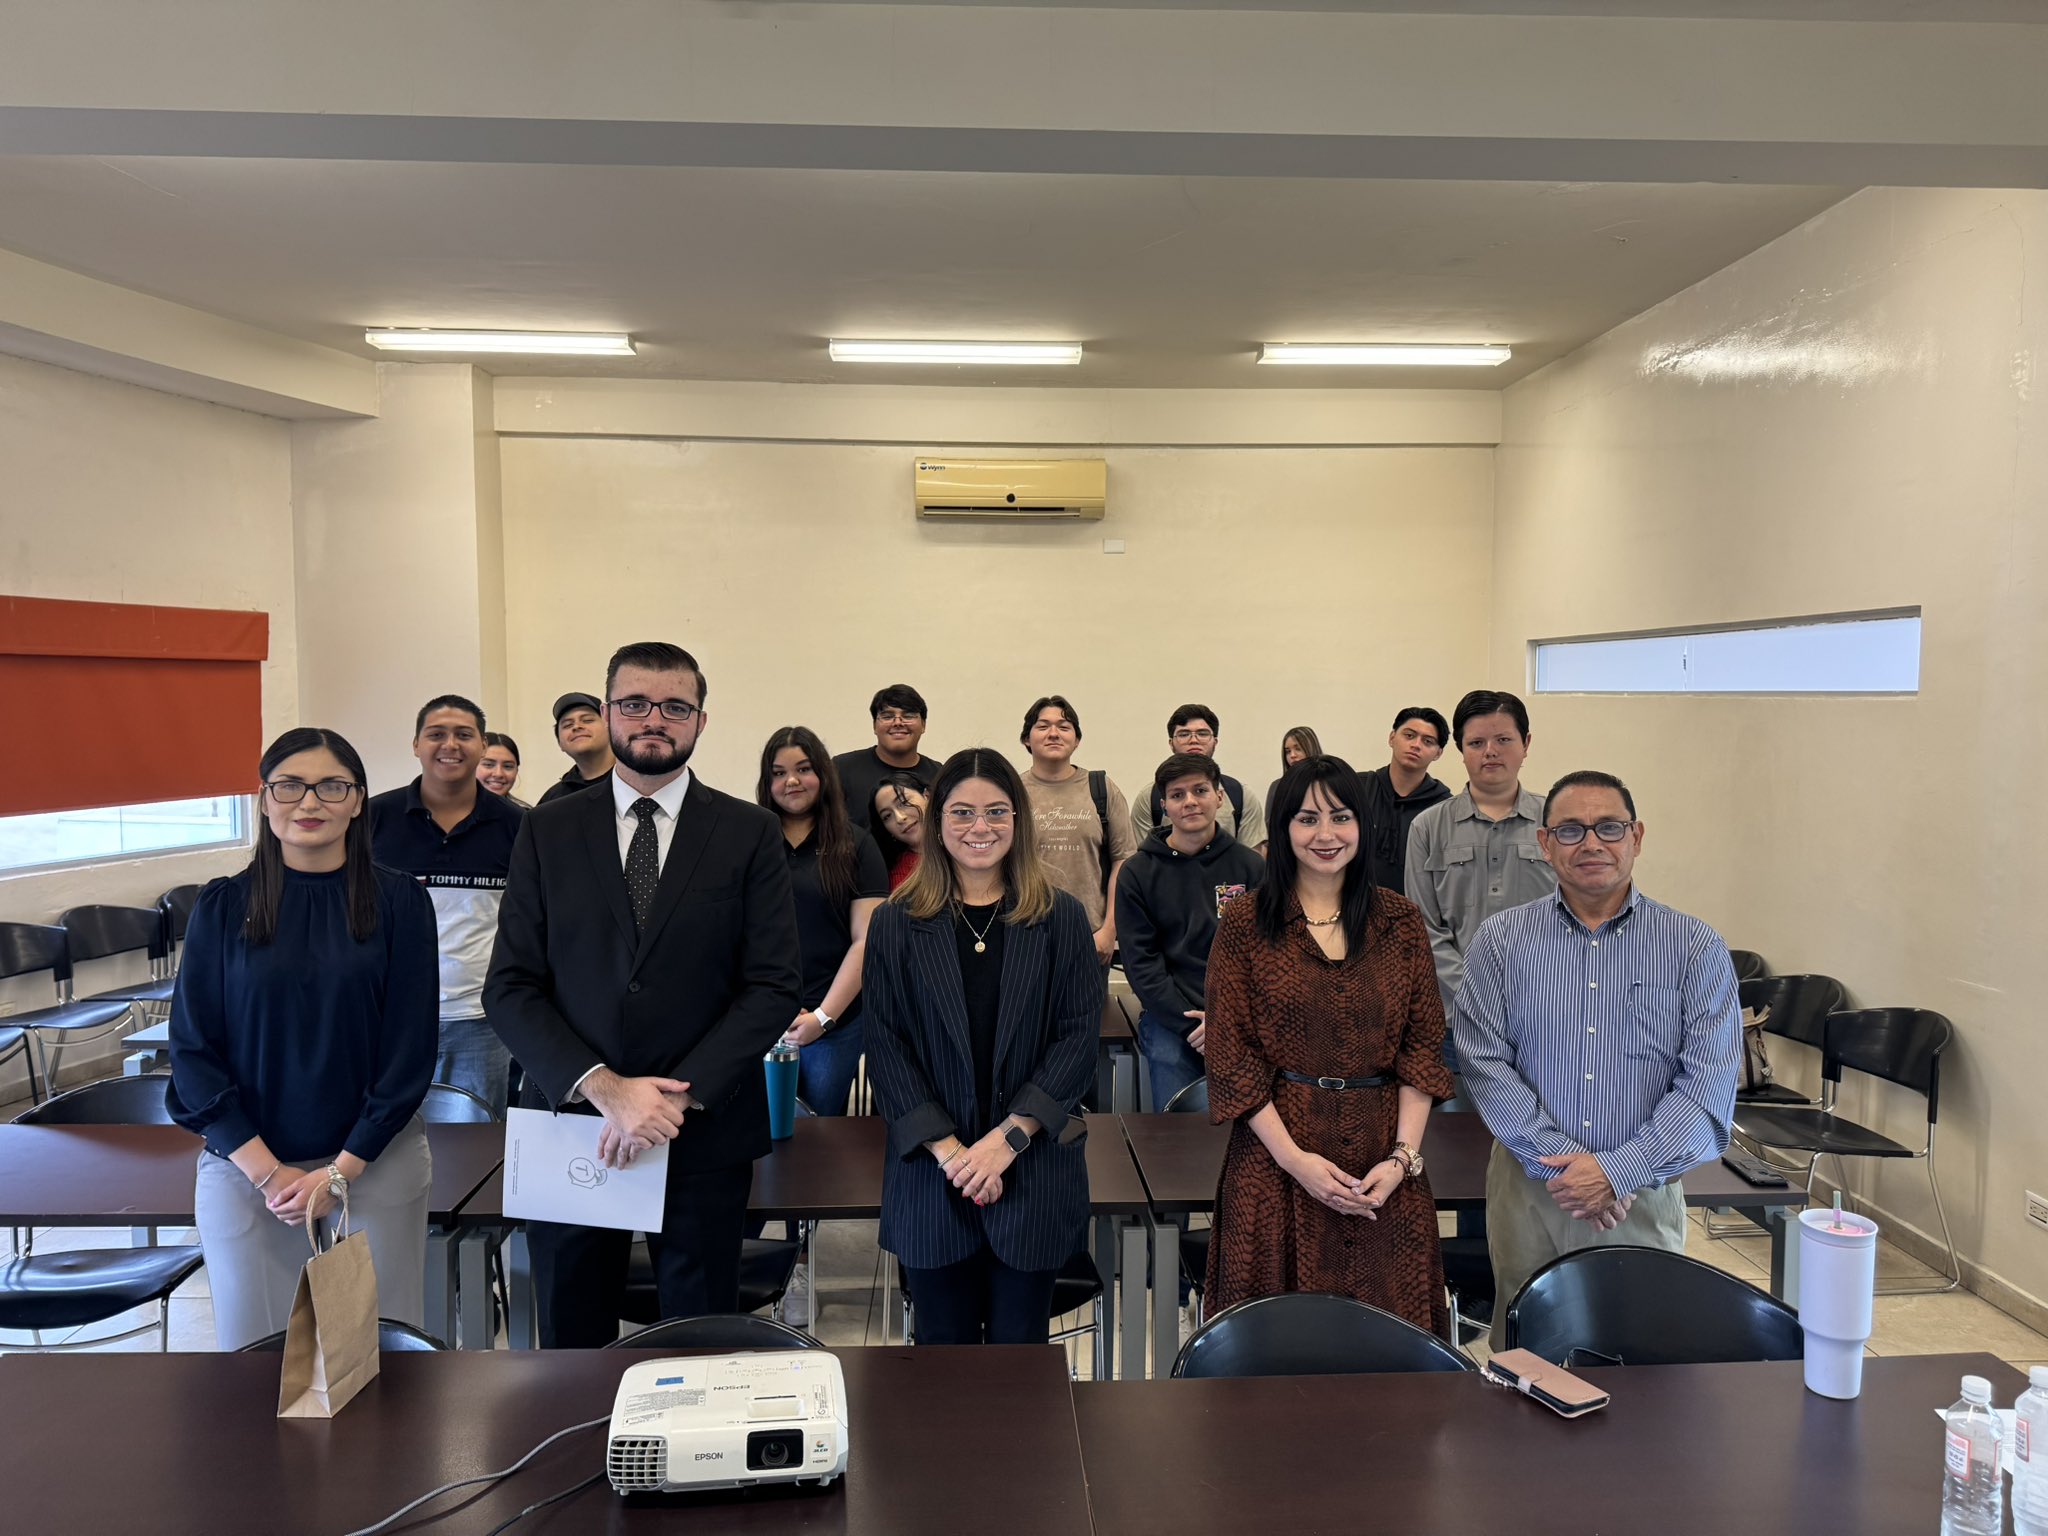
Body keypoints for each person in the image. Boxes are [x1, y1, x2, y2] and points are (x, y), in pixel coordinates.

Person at [484, 642, 801, 1346]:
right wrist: (605, 1088)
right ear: (606, 714)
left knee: (698, 1345)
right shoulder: (548, 827)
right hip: (573, 1123)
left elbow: (774, 983)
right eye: (635, 704)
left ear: (700, 720)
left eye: (674, 706)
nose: (654, 719)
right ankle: (577, 1461)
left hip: (702, 1132)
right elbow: (510, 985)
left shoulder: (747, 833)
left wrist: (670, 1100)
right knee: (571, 1341)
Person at [166, 727, 437, 1351]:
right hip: (249, 1175)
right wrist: (268, 1175)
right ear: (264, 800)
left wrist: (339, 1174)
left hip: (373, 1167)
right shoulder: (223, 905)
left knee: (375, 1363)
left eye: (330, 786)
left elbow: (409, 1050)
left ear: (358, 801)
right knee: (260, 1370)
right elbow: (193, 1052)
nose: (308, 802)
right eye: (289, 786)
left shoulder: (400, 903)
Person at [1454, 770, 1741, 1348]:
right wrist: (1566, 1170)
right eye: (1570, 830)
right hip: (1530, 1191)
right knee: (1527, 1352)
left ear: (1636, 836)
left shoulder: (1693, 946)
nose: (1591, 844)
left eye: (1608, 828)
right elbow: (1484, 1061)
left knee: (1641, 1354)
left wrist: (1616, 1171)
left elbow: (1707, 1084)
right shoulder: (1500, 941)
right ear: (1543, 844)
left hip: (1642, 1192)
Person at [1202, 755, 1454, 1335]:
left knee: (1391, 1341)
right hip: (1274, 1162)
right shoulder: (1245, 922)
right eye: (1306, 818)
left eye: (1340, 817)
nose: (1325, 835)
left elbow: (1421, 1049)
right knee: (1273, 1345)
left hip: (1382, 1162)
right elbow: (1232, 1057)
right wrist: (1296, 1163)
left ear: (1361, 827)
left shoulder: (1401, 921)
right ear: (1282, 828)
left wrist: (1402, 1159)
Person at [864, 748, 1101, 1344]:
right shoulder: (897, 921)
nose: (980, 827)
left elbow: (1076, 1038)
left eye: (997, 812)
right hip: (930, 1180)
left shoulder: (1062, 917)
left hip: (1032, 1174)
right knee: (943, 1368)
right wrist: (953, 1155)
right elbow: (886, 1046)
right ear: (937, 821)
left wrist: (1007, 1141)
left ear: (1017, 821)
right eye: (963, 812)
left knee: (1020, 1362)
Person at [369, 695, 525, 1117]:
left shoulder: (519, 827)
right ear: (416, 744)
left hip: (479, 1021)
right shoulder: (372, 819)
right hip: (387, 1019)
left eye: (464, 734)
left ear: (481, 745)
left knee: (473, 1144)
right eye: (436, 734)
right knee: (383, 1140)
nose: (450, 745)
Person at [1404, 689, 1554, 1091]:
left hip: (1547, 1021)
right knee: (1460, 1142)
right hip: (1458, 1025)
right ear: (1461, 750)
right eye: (1476, 742)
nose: (1491, 751)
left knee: (1545, 1142)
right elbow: (1424, 929)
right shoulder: (1427, 827)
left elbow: (1577, 914)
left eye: (1503, 739)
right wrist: (1476, 994)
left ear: (1526, 744)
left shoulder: (1556, 823)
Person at [1115, 752, 1265, 1113]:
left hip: (1243, 1016)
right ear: (1164, 805)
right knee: (1180, 1115)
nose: (1190, 802)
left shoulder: (1251, 866)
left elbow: (1265, 954)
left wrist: (1227, 1020)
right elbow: (1143, 966)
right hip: (1173, 1018)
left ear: (1219, 797)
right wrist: (1192, 1025)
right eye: (1178, 795)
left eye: (1200, 790)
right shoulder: (1137, 873)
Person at [758, 726, 889, 1116]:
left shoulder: (856, 845)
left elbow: (866, 940)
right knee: (758, 1132)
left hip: (835, 1021)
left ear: (823, 776)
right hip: (759, 1018)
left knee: (817, 1133)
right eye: (778, 772)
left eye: (803, 769)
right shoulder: (751, 841)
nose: (791, 781)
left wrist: (823, 1018)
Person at [1018, 695, 1137, 965]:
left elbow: (1124, 860)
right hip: (1026, 934)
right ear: (1026, 739)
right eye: (1042, 726)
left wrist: (1109, 930)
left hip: (1090, 935)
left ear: (1077, 739)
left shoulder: (1101, 788)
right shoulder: (1013, 792)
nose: (1053, 733)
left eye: (1064, 726)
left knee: (1087, 1008)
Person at [1130, 704, 1268, 852]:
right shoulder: (1148, 798)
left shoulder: (1241, 795)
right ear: (1171, 743)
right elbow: (1144, 859)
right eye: (1184, 734)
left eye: (1202, 733)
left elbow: (1252, 862)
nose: (1194, 740)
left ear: (1215, 741)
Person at [835, 683, 940, 865]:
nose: (898, 722)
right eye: (887, 716)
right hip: (853, 877)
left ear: (923, 725)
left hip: (929, 876)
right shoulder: (841, 769)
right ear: (875, 726)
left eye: (908, 715)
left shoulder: (939, 774)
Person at [1360, 707, 1451, 894]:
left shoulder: (1444, 807)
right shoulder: (1358, 788)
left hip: (1414, 914)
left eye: (1428, 741)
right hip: (1354, 908)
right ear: (1392, 737)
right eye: (1409, 735)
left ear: (1438, 753)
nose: (1416, 745)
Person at [537, 691, 615, 806]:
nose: (577, 727)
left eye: (588, 720)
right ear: (560, 743)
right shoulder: (553, 800)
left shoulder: (636, 781)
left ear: (610, 728)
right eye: (567, 725)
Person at [872, 771, 929, 891]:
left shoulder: (965, 843)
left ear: (927, 796)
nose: (900, 818)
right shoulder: (900, 877)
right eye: (887, 816)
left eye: (903, 803)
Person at [1268, 725, 1322, 811]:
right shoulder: (1277, 787)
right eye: (1288, 751)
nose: (1292, 755)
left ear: (1311, 749)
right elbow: (1271, 822)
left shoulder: (1330, 782)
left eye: (1298, 749)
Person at [478, 731, 529, 809]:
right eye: (488, 765)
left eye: (508, 766)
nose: (498, 774)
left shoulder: (525, 817)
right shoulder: (453, 814)